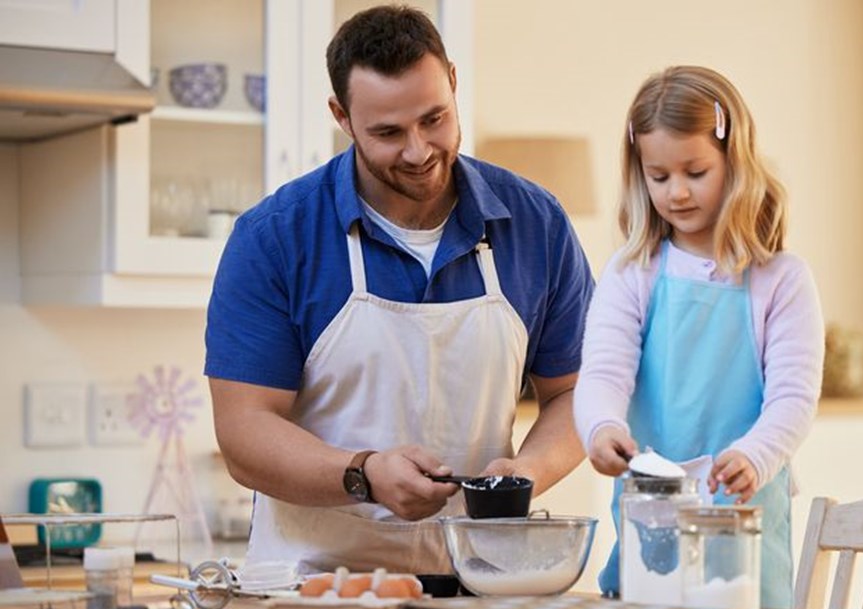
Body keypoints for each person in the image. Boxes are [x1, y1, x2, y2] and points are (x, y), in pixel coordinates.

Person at [205, 5, 594, 574]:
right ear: (342, 116)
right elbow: (244, 431)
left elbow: (575, 393)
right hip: (311, 591)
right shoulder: (274, 238)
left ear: (454, 83)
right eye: (388, 132)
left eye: (434, 119)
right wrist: (363, 474)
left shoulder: (535, 223)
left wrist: (528, 471)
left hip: (479, 581)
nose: (418, 151)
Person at [573, 65, 823, 609]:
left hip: (743, 515)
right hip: (649, 519)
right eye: (658, 177)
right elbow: (603, 373)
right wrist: (600, 425)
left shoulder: (781, 279)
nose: (676, 193)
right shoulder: (631, 270)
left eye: (695, 172)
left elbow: (793, 398)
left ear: (735, 162)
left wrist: (756, 454)